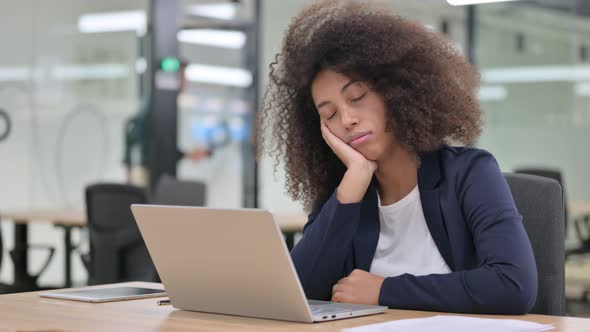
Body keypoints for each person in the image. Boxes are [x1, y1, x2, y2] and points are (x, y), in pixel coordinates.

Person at [257, 0, 537, 315]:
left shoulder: (470, 172)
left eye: (357, 97)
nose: (347, 119)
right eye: (330, 114)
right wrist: (355, 181)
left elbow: (513, 285)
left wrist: (384, 290)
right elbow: (299, 292)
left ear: (396, 90)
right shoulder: (346, 193)